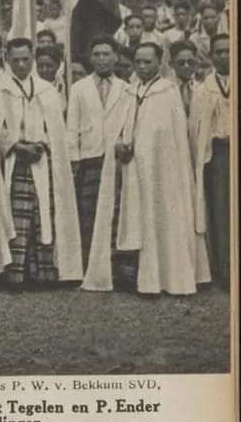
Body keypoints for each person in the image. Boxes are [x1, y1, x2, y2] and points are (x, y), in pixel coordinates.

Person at [0, 38, 82, 289]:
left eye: (26, 59)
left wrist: (43, 144)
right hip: (15, 161)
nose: (21, 65)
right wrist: (16, 145)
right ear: (7, 59)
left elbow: (57, 129)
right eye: (15, 60)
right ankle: (15, 273)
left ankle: (43, 273)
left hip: (42, 159)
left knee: (43, 213)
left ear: (33, 58)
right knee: (17, 215)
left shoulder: (47, 91)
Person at [112, 42, 209, 295]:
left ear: (160, 63)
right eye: (139, 62)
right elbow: (126, 127)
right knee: (143, 221)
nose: (142, 67)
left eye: (148, 62)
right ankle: (148, 279)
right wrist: (123, 144)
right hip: (138, 169)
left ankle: (172, 278)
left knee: (165, 219)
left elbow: (171, 135)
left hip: (164, 173)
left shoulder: (167, 92)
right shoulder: (133, 91)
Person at [66, 36, 136, 289]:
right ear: (90, 57)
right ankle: (88, 267)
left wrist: (123, 143)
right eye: (97, 54)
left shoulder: (126, 88)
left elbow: (129, 123)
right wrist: (73, 159)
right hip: (89, 158)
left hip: (115, 159)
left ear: (116, 57)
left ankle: (115, 268)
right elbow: (71, 126)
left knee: (115, 212)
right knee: (89, 212)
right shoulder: (79, 88)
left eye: (107, 54)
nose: (102, 59)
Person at [189, 33, 231, 289]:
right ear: (212, 55)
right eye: (219, 52)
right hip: (216, 155)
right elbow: (196, 127)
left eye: (228, 51)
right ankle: (224, 269)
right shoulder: (204, 88)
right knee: (219, 210)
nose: (224, 56)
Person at [168, 40, 199, 117]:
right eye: (181, 63)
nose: (186, 66)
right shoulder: (165, 88)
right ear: (171, 64)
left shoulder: (199, 87)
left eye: (190, 62)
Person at [191, 4, 222, 72]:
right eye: (206, 18)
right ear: (201, 19)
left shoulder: (225, 36)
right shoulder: (194, 39)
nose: (209, 21)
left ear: (218, 18)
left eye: (213, 17)